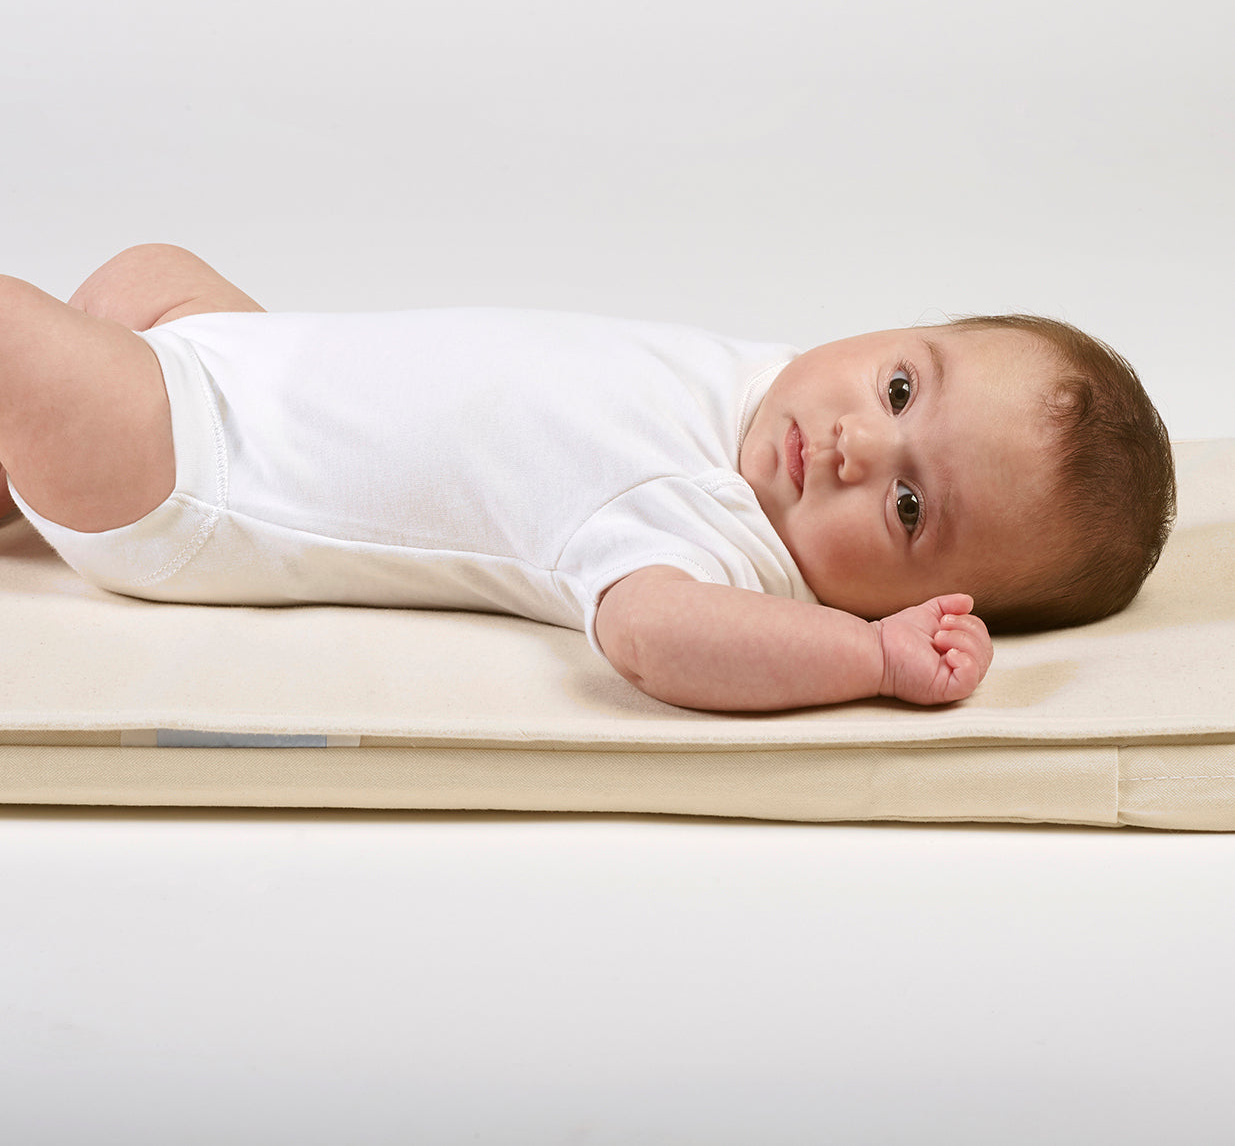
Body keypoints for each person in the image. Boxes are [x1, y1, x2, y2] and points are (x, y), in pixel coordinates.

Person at [0, 245, 1175, 712]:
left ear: (885, 597)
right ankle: (21, 478)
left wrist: (869, 661)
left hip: (195, 472)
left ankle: (47, 463)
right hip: (224, 363)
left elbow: (653, 638)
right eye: (901, 388)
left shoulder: (711, 541)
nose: (860, 444)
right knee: (150, 267)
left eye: (909, 508)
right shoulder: (770, 388)